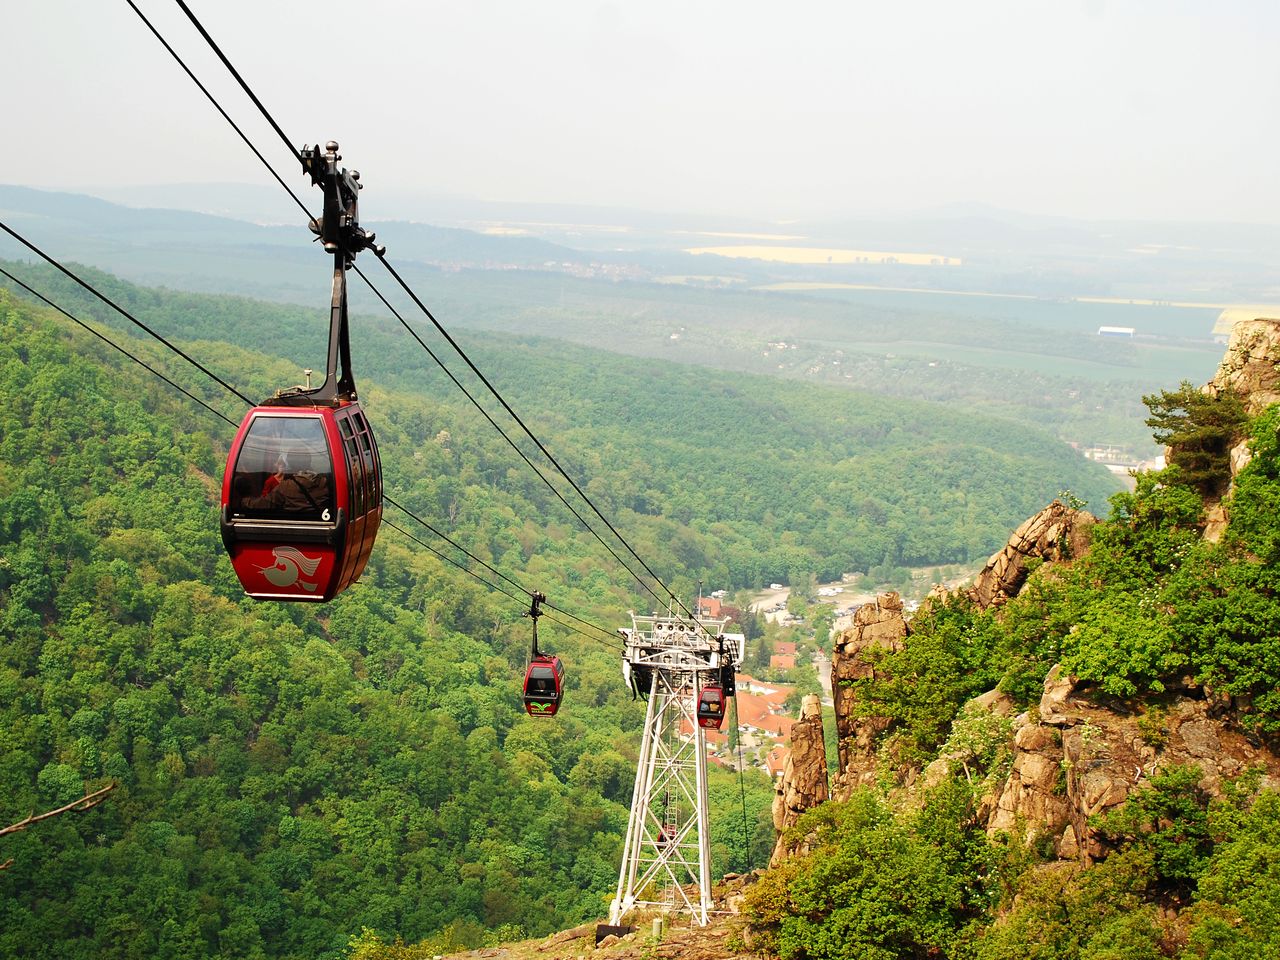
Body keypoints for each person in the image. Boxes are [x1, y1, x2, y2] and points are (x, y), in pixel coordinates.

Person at [242, 450, 330, 516]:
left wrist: (243, 501)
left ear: (290, 464)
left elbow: (263, 504)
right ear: (309, 461)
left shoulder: (285, 487)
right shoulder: (324, 482)